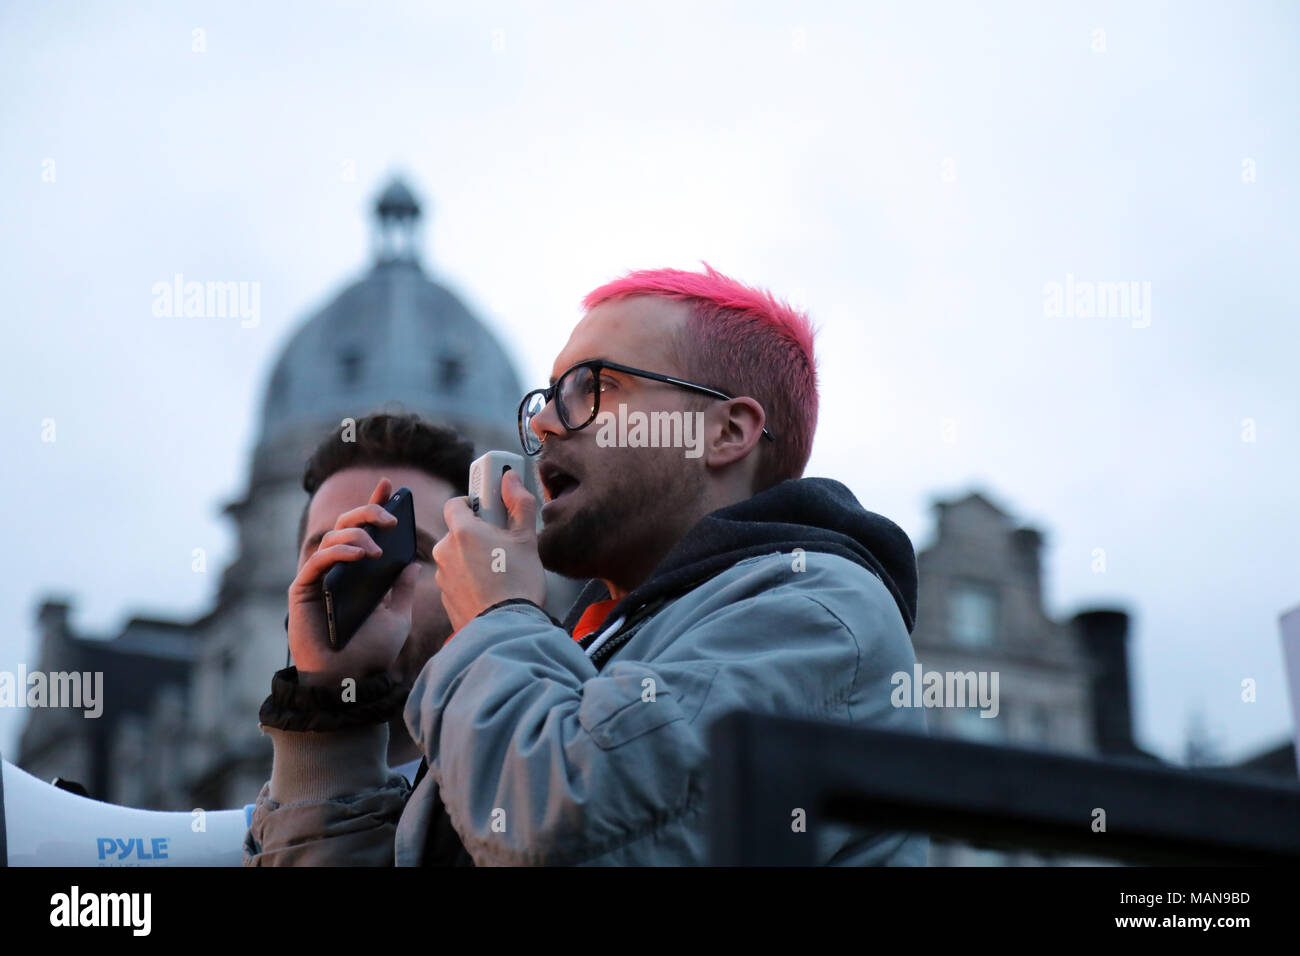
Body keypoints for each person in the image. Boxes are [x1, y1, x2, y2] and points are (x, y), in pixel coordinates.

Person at [245, 263, 928, 866]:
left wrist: (497, 616)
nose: (543, 427)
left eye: (592, 388)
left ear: (725, 432)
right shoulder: (590, 649)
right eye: (546, 398)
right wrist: (334, 712)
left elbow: (565, 837)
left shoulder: (817, 614)